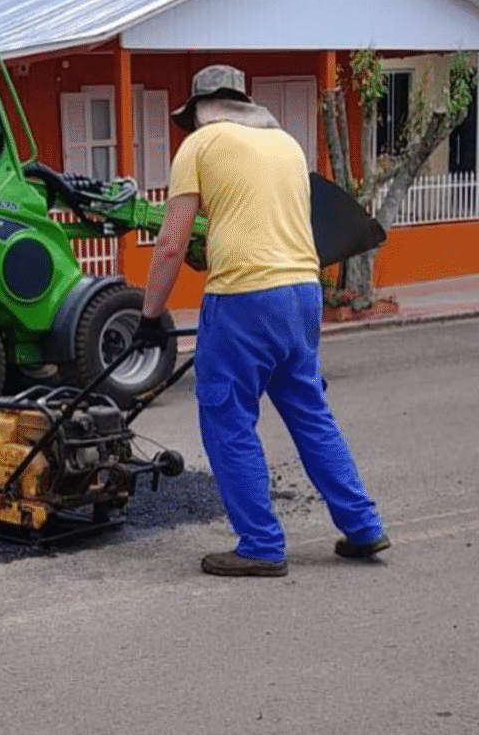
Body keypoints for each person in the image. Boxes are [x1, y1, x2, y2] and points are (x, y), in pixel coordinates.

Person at [136, 64, 389, 578]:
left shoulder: (200, 147)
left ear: (200, 112)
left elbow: (170, 244)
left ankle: (260, 545)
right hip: (302, 294)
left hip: (244, 297)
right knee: (309, 412)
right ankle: (362, 526)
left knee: (227, 418)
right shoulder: (287, 146)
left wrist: (148, 314)